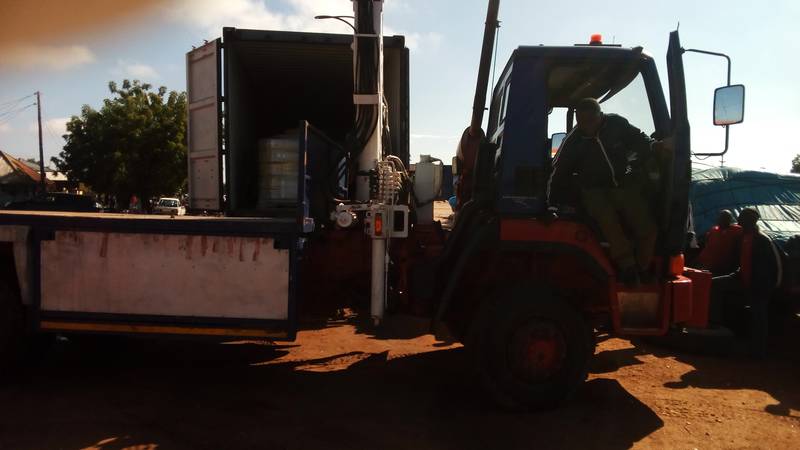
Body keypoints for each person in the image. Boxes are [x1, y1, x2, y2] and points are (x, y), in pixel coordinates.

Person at [547, 98, 671, 286]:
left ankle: (643, 268)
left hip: (622, 183)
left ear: (601, 116)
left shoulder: (616, 123)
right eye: (581, 123)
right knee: (607, 219)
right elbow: (558, 174)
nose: (587, 127)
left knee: (648, 229)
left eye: (590, 121)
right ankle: (627, 267)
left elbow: (639, 138)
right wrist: (550, 204)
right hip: (592, 189)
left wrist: (655, 146)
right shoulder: (573, 141)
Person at [710, 208, 783, 358]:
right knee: (714, 284)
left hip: (760, 285)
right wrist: (736, 275)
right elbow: (743, 263)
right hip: (743, 278)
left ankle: (758, 351)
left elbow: (771, 269)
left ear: (751, 221)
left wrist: (759, 288)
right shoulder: (743, 237)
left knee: (759, 315)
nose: (739, 221)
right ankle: (716, 324)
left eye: (742, 219)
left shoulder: (762, 240)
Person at [695, 209, 743, 276]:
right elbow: (707, 243)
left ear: (730, 219)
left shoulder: (736, 230)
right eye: (721, 218)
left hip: (722, 265)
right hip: (707, 263)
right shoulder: (714, 230)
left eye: (726, 218)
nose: (723, 220)